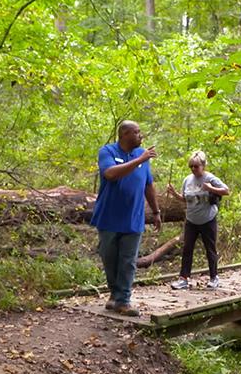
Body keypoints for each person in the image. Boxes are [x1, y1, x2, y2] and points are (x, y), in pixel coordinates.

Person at [90, 121, 162, 317]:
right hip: (109, 217)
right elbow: (110, 174)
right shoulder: (107, 151)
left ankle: (123, 300)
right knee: (109, 258)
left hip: (133, 217)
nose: (141, 135)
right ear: (124, 134)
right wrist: (139, 160)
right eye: (136, 132)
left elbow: (148, 185)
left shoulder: (142, 156)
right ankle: (114, 294)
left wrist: (156, 212)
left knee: (128, 260)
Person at [167, 151, 230, 290]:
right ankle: (184, 278)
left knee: (210, 249)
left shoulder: (210, 178)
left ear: (203, 165)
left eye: (196, 166)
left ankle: (214, 277)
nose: (193, 169)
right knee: (187, 248)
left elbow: (226, 191)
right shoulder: (187, 180)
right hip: (191, 220)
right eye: (191, 166)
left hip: (208, 219)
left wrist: (210, 188)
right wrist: (174, 194)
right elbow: (185, 199)